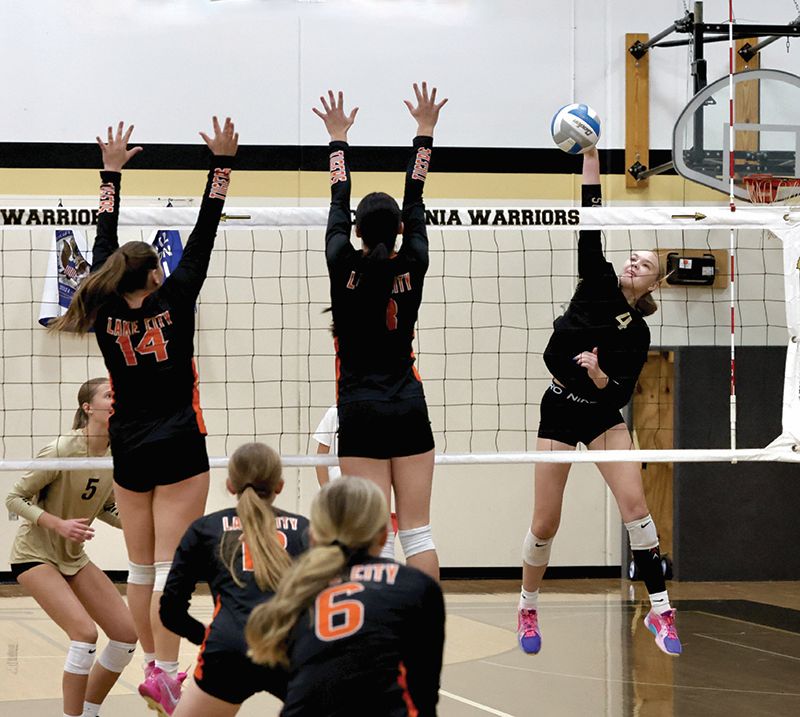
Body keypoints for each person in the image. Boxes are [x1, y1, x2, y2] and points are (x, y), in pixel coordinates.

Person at [48, 118, 240, 710]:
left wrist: (110, 172)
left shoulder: (102, 304)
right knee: (170, 566)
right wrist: (222, 165)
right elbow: (205, 233)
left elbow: (103, 241)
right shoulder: (176, 299)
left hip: (128, 446)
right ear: (155, 274)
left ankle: (157, 667)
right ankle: (164, 669)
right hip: (181, 442)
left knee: (138, 567)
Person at [517, 147, 681, 657]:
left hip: (603, 415)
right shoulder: (598, 279)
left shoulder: (640, 332)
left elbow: (619, 392)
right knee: (546, 523)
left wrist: (599, 371)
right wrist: (590, 155)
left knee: (636, 509)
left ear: (656, 283)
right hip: (561, 409)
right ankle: (527, 605)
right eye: (636, 254)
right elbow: (591, 215)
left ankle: (660, 610)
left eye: (647, 263)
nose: (636, 260)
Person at [313, 83, 447, 580]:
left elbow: (337, 197)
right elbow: (417, 197)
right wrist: (424, 132)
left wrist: (338, 139)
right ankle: (425, 630)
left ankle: (374, 634)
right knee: (418, 533)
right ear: (397, 232)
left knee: (373, 536)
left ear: (357, 230)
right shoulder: (415, 260)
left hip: (360, 410)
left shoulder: (339, 262)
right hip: (407, 404)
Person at [245, 476, 444, 717]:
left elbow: (300, 685)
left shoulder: (296, 588)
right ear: (383, 536)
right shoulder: (417, 586)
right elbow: (425, 690)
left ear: (313, 537)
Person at [5, 378, 138, 717]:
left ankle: (89, 711)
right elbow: (14, 498)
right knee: (84, 634)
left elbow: (107, 508)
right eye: (109, 394)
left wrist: (144, 524)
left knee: (125, 637)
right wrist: (57, 523)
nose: (116, 398)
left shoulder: (116, 454)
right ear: (87, 408)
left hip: (73, 557)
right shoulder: (62, 449)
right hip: (34, 555)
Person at [157, 442, 309, 717]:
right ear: (280, 486)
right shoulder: (307, 531)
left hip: (227, 648)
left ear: (230, 485)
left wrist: (205, 636)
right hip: (291, 648)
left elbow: (170, 611)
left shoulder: (205, 529)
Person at [312, 404, 341, 486]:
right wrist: (325, 489)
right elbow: (321, 456)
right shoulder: (334, 412)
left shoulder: (375, 410)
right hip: (335, 486)